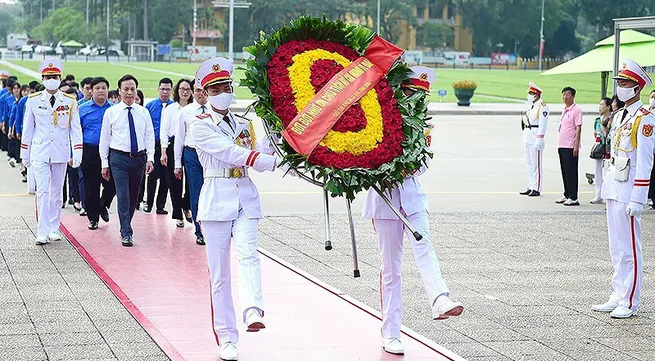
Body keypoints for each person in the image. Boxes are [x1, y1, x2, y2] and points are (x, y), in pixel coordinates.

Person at [363, 66, 463, 355]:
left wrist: (408, 167)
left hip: (412, 195)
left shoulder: (425, 126)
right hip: (384, 200)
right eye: (412, 93)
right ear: (400, 91)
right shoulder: (379, 120)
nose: (417, 101)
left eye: (422, 96)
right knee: (391, 269)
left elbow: (425, 163)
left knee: (425, 247)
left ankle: (440, 298)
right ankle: (391, 332)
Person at [189, 57, 280, 361]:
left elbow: (262, 150)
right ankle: (227, 337)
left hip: (245, 197)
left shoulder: (244, 123)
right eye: (216, 88)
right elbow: (230, 152)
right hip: (216, 198)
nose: (223, 91)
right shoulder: (199, 125)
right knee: (220, 275)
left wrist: (278, 137)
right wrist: (263, 160)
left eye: (226, 86)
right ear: (205, 92)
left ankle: (253, 309)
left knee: (249, 253)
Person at [592, 59, 654, 319]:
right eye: (620, 83)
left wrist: (638, 198)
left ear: (637, 88)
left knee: (630, 247)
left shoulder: (645, 119)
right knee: (616, 246)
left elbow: (645, 161)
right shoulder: (619, 116)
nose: (621, 87)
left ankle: (630, 300)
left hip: (629, 188)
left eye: (626, 83)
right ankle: (618, 293)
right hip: (614, 185)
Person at [20, 59, 82, 245]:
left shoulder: (70, 101)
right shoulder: (33, 101)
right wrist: (25, 153)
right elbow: (28, 128)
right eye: (48, 77)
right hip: (40, 151)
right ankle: (42, 230)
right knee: (43, 191)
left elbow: (75, 129)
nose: (51, 80)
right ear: (42, 78)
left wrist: (77, 151)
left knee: (56, 192)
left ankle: (54, 228)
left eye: (54, 77)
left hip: (60, 151)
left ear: (60, 78)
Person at [99, 75, 155, 247]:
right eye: (126, 89)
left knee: (133, 196)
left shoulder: (143, 112)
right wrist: (104, 163)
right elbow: (105, 139)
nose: (130, 92)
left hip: (138, 158)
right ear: (120, 91)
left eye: (132, 89)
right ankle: (126, 231)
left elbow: (149, 136)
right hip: (118, 158)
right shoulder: (111, 112)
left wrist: (150, 158)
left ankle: (126, 223)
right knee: (122, 194)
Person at [175, 81, 209, 245]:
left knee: (212, 191)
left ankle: (214, 227)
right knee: (196, 192)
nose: (201, 93)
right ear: (193, 92)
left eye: (204, 90)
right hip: (192, 154)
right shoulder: (186, 112)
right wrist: (177, 163)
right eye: (197, 90)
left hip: (211, 155)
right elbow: (179, 138)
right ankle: (199, 230)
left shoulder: (214, 110)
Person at [80, 77, 116, 230]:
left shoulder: (115, 109)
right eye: (97, 88)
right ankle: (93, 218)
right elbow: (75, 133)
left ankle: (103, 205)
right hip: (89, 151)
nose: (101, 91)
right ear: (91, 90)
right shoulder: (82, 109)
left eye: (104, 88)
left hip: (111, 151)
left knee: (112, 184)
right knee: (91, 187)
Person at [160, 78, 194, 228]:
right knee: (175, 181)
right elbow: (164, 130)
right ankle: (178, 213)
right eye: (182, 89)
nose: (185, 92)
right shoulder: (170, 109)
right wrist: (163, 151)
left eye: (187, 89)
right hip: (173, 144)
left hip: (191, 145)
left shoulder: (194, 108)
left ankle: (186, 205)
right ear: (177, 91)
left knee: (191, 180)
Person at [144, 78, 174, 214]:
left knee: (166, 178)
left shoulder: (174, 107)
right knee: (152, 176)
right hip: (154, 144)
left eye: (168, 89)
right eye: (162, 89)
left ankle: (160, 206)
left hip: (169, 145)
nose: (165, 92)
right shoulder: (150, 106)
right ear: (158, 89)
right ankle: (148, 203)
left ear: (171, 90)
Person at [520, 82, 549, 197]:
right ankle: (531, 185)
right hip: (527, 135)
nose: (529, 95)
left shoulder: (542, 107)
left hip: (535, 136)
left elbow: (543, 124)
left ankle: (537, 187)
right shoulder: (532, 105)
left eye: (531, 93)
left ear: (536, 95)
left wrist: (540, 139)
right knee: (529, 163)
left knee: (536, 163)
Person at [555, 86, 583, 206]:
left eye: (567, 94)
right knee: (565, 171)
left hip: (570, 145)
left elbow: (578, 128)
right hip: (562, 145)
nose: (565, 97)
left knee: (571, 171)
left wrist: (576, 145)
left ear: (573, 96)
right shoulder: (565, 109)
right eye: (564, 94)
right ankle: (566, 194)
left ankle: (573, 196)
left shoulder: (576, 110)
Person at [590, 97, 612, 204]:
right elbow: (595, 134)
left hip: (608, 148)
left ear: (608, 106)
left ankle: (606, 194)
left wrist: (604, 130)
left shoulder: (612, 119)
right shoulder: (597, 120)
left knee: (607, 171)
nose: (600, 107)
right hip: (599, 148)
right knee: (597, 171)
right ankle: (598, 194)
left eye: (602, 105)